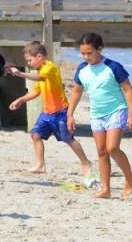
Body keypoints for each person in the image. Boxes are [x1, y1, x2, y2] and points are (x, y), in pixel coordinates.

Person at [67, 32, 132, 199]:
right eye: (83, 53)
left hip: (117, 109)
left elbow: (128, 90)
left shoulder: (113, 66)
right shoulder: (82, 69)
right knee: (101, 151)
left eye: (89, 53)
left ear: (99, 49)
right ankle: (106, 190)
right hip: (97, 114)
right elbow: (77, 92)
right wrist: (70, 115)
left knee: (112, 148)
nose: (86, 57)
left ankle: (130, 177)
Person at [8, 41, 93, 177]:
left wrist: (20, 74)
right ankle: (40, 165)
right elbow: (36, 92)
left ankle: (86, 162)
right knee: (35, 135)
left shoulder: (50, 68)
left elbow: (40, 77)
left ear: (39, 56)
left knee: (68, 139)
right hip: (46, 113)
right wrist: (21, 100)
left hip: (60, 112)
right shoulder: (41, 70)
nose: (29, 63)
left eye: (30, 60)